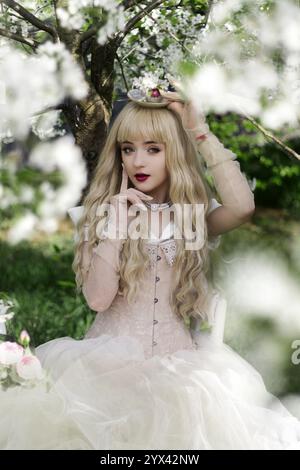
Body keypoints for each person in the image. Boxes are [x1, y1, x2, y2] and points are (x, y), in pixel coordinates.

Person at [1, 82, 300, 450]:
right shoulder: (101, 215)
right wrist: (115, 228)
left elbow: (242, 207)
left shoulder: (191, 217)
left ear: (173, 153)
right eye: (128, 149)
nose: (138, 161)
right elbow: (97, 299)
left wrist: (198, 129)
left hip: (180, 367)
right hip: (104, 368)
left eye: (153, 149)